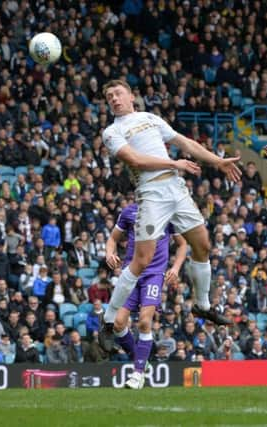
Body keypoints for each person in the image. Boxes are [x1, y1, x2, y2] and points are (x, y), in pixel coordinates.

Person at [100, 79, 241, 341]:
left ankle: (202, 306)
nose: (115, 99)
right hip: (151, 192)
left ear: (132, 95)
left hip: (176, 189)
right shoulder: (111, 132)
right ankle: (109, 318)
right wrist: (174, 163)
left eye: (118, 93)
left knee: (203, 245)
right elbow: (135, 160)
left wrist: (218, 162)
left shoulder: (151, 118)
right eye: (110, 97)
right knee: (141, 260)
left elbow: (186, 143)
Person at [106, 202, 187, 389]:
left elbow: (182, 244)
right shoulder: (129, 211)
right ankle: (140, 359)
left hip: (154, 275)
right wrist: (109, 253)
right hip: (130, 274)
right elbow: (112, 238)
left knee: (144, 321)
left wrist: (175, 268)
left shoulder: (168, 211)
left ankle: (138, 374)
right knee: (117, 323)